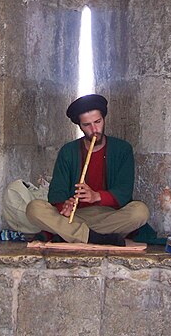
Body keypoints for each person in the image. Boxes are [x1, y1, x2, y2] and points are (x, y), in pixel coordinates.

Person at [26, 94, 149, 247]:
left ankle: (71, 234)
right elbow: (56, 193)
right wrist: (65, 206)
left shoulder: (122, 149)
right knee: (34, 209)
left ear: (104, 119)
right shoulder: (68, 151)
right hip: (76, 216)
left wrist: (96, 196)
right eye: (87, 125)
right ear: (80, 126)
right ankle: (97, 238)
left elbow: (124, 193)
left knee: (140, 212)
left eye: (98, 122)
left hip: (109, 215)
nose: (94, 129)